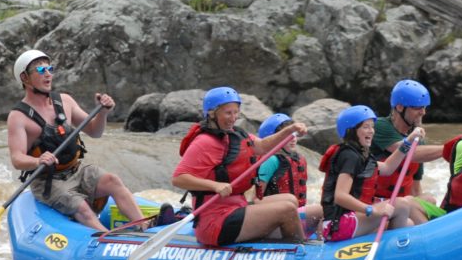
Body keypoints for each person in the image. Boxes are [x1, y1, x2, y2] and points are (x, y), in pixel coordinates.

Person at [6, 49, 143, 231]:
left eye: (50, 69)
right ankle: (107, 238)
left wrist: (102, 112)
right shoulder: (18, 117)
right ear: (25, 78)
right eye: (41, 71)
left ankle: (144, 226)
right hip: (48, 181)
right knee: (82, 208)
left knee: (113, 180)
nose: (48, 74)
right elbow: (17, 159)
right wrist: (38, 160)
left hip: (76, 170)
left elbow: (95, 131)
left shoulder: (65, 101)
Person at [172, 86, 307, 247]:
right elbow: (178, 178)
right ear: (212, 113)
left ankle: (293, 245)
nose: (233, 117)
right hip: (215, 221)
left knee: (291, 202)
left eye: (236, 112)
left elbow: (263, 146)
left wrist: (290, 130)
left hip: (237, 208)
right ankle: (299, 255)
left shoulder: (236, 135)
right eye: (228, 113)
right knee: (287, 210)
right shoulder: (204, 142)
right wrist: (215, 185)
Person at [318, 104, 422, 242]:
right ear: (351, 131)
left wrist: (407, 142)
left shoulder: (360, 154)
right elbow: (340, 196)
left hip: (351, 219)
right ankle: (396, 250)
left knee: (408, 223)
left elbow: (387, 167)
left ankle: (389, 247)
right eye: (366, 127)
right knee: (401, 204)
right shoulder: (349, 156)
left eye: (372, 127)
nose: (371, 131)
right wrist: (371, 210)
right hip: (338, 225)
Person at [369, 79, 445, 224]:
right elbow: (409, 153)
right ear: (399, 107)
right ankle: (428, 235)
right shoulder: (379, 126)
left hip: (401, 203)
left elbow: (415, 188)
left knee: (428, 199)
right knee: (408, 203)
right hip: (376, 203)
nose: (423, 112)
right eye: (417, 108)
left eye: (424, 107)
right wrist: (450, 148)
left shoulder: (419, 141)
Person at [255, 113, 324, 236]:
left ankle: (321, 242)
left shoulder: (299, 159)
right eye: (287, 135)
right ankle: (315, 247)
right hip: (276, 220)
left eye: (295, 135)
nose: (293, 139)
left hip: (295, 215)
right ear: (274, 138)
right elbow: (255, 200)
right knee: (320, 210)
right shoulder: (270, 161)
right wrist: (285, 204)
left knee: (327, 209)